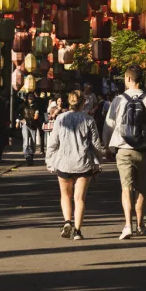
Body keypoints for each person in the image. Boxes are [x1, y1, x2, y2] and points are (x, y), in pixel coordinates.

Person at [102, 68, 146, 240]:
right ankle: (140, 225)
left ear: (128, 78)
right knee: (141, 189)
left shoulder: (119, 100)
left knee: (126, 188)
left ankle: (127, 225)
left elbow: (109, 125)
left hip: (123, 150)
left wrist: (106, 146)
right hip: (144, 150)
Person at [46, 90, 105, 240]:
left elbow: (53, 143)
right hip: (83, 162)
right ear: (83, 103)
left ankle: (67, 221)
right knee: (79, 198)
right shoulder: (88, 120)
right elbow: (96, 144)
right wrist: (99, 161)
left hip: (64, 162)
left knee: (65, 195)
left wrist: (50, 161)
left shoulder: (60, 119)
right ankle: (77, 231)